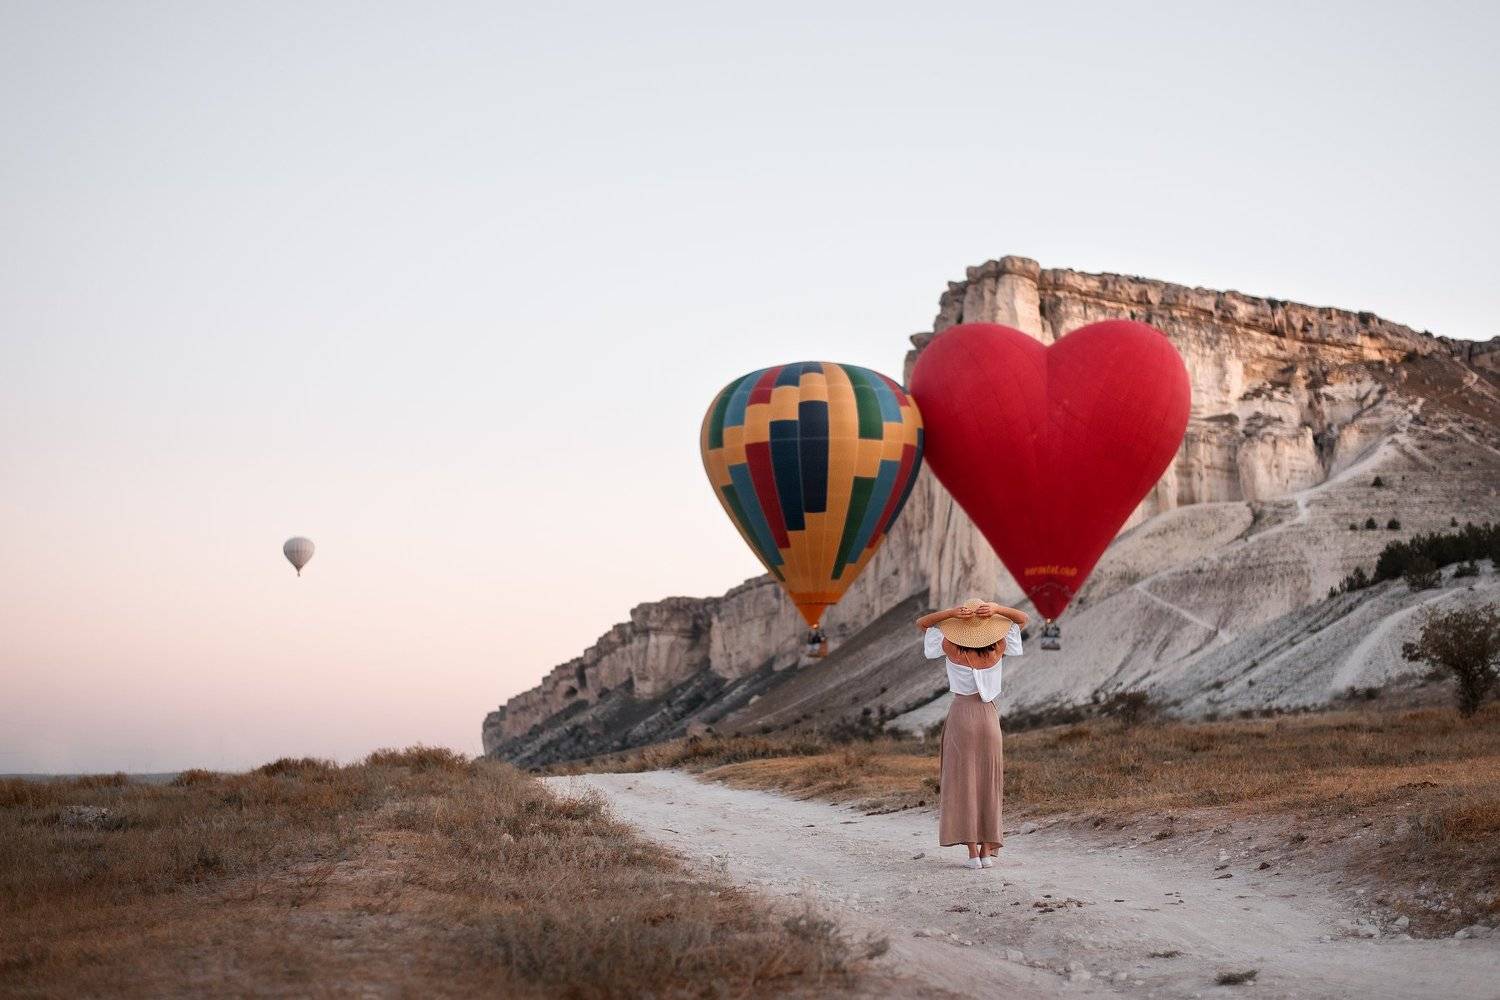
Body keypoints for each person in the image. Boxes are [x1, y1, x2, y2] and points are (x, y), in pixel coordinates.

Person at [915, 598, 1028, 869]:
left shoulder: (950, 647)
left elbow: (922, 623)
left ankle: (972, 855)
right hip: (988, 718)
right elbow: (1022, 619)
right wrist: (997, 609)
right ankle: (987, 852)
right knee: (990, 782)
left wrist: (951, 613)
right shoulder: (998, 647)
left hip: (961, 716)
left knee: (962, 782)